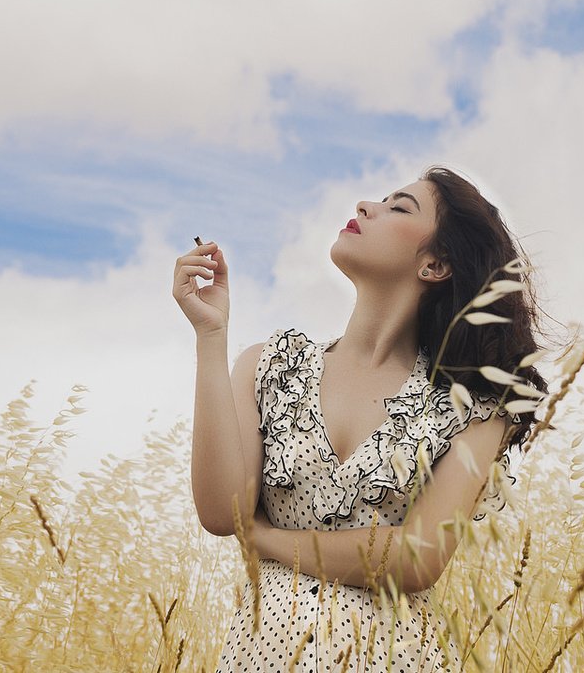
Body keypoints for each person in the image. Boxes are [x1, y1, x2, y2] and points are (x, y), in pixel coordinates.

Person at [176, 165, 556, 671]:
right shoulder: (268, 365)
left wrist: (266, 539)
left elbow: (417, 559)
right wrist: (210, 337)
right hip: (261, 657)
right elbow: (223, 515)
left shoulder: (473, 408)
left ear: (436, 264)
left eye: (399, 207)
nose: (364, 206)